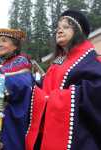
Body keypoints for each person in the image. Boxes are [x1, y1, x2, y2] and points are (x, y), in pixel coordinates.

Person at [25, 10, 101, 150]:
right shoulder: (57, 61)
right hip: (48, 131)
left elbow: (96, 91)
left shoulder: (93, 60)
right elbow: (44, 87)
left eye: (66, 27)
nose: (59, 31)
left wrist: (60, 97)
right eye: (58, 28)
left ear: (79, 32)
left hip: (78, 137)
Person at [0, 28, 34, 150]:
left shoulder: (21, 61)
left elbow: (23, 84)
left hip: (11, 120)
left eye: (4, 41)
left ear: (15, 46)